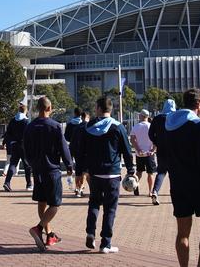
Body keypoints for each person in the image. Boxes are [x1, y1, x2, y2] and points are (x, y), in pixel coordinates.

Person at [73, 97, 135, 254]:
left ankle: (90, 233)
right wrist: (131, 171)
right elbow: (127, 152)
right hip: (112, 174)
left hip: (94, 174)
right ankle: (105, 243)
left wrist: (79, 172)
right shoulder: (117, 127)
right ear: (111, 109)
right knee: (110, 209)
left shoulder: (88, 128)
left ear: (99, 108)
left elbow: (80, 152)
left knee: (94, 203)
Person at [165, 88, 200, 267]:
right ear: (198, 104)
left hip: (177, 183)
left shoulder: (168, 124)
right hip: (199, 182)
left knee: (182, 233)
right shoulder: (199, 125)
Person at [24, 97, 73, 252]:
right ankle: (38, 228)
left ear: (38, 108)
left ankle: (49, 234)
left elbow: (25, 148)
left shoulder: (30, 126)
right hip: (52, 170)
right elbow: (63, 147)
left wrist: (31, 163)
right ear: (49, 108)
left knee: (42, 201)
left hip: (37, 169)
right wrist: (69, 165)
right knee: (55, 204)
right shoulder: (55, 126)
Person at [148, 99, 176, 206]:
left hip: (161, 149)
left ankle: (155, 191)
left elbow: (150, 134)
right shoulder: (176, 117)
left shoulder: (157, 118)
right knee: (174, 173)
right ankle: (174, 195)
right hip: (174, 149)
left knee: (161, 172)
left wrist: (157, 142)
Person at [3, 103, 32, 192]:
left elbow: (8, 133)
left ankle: (7, 182)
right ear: (25, 111)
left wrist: (5, 142)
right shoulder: (26, 121)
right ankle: (29, 184)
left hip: (14, 144)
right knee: (27, 165)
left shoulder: (13, 120)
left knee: (13, 164)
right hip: (24, 146)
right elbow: (29, 134)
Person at [130, 109, 156, 197]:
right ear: (148, 116)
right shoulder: (151, 126)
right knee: (150, 173)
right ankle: (150, 191)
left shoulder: (136, 127)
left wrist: (138, 149)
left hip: (139, 154)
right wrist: (153, 149)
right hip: (149, 154)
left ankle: (135, 185)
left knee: (139, 172)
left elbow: (132, 139)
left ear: (141, 116)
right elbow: (156, 139)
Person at [64, 107, 83, 196]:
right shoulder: (83, 124)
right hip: (81, 147)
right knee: (80, 167)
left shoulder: (70, 124)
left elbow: (66, 136)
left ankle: (70, 183)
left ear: (75, 113)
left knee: (69, 165)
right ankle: (80, 186)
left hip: (72, 146)